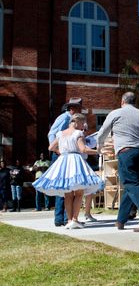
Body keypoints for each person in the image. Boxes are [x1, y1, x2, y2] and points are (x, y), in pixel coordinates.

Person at [97, 92, 139, 233]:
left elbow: (102, 132)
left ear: (122, 101)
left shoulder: (115, 113)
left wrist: (99, 148)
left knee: (131, 184)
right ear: (134, 101)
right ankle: (120, 220)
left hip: (126, 152)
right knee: (136, 186)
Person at [33, 113, 103, 229]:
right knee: (79, 193)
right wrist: (98, 151)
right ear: (76, 122)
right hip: (75, 161)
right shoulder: (78, 133)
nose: (83, 126)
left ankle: (69, 220)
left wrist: (61, 152)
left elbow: (51, 147)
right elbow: (83, 149)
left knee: (68, 194)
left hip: (63, 161)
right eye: (82, 123)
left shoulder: (60, 133)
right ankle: (74, 219)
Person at [47, 97, 83, 226]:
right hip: (62, 156)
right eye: (79, 109)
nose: (81, 111)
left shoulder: (71, 120)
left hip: (66, 155)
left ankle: (64, 218)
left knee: (67, 187)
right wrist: (58, 150)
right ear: (72, 109)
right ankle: (60, 218)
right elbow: (52, 134)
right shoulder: (64, 118)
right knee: (64, 187)